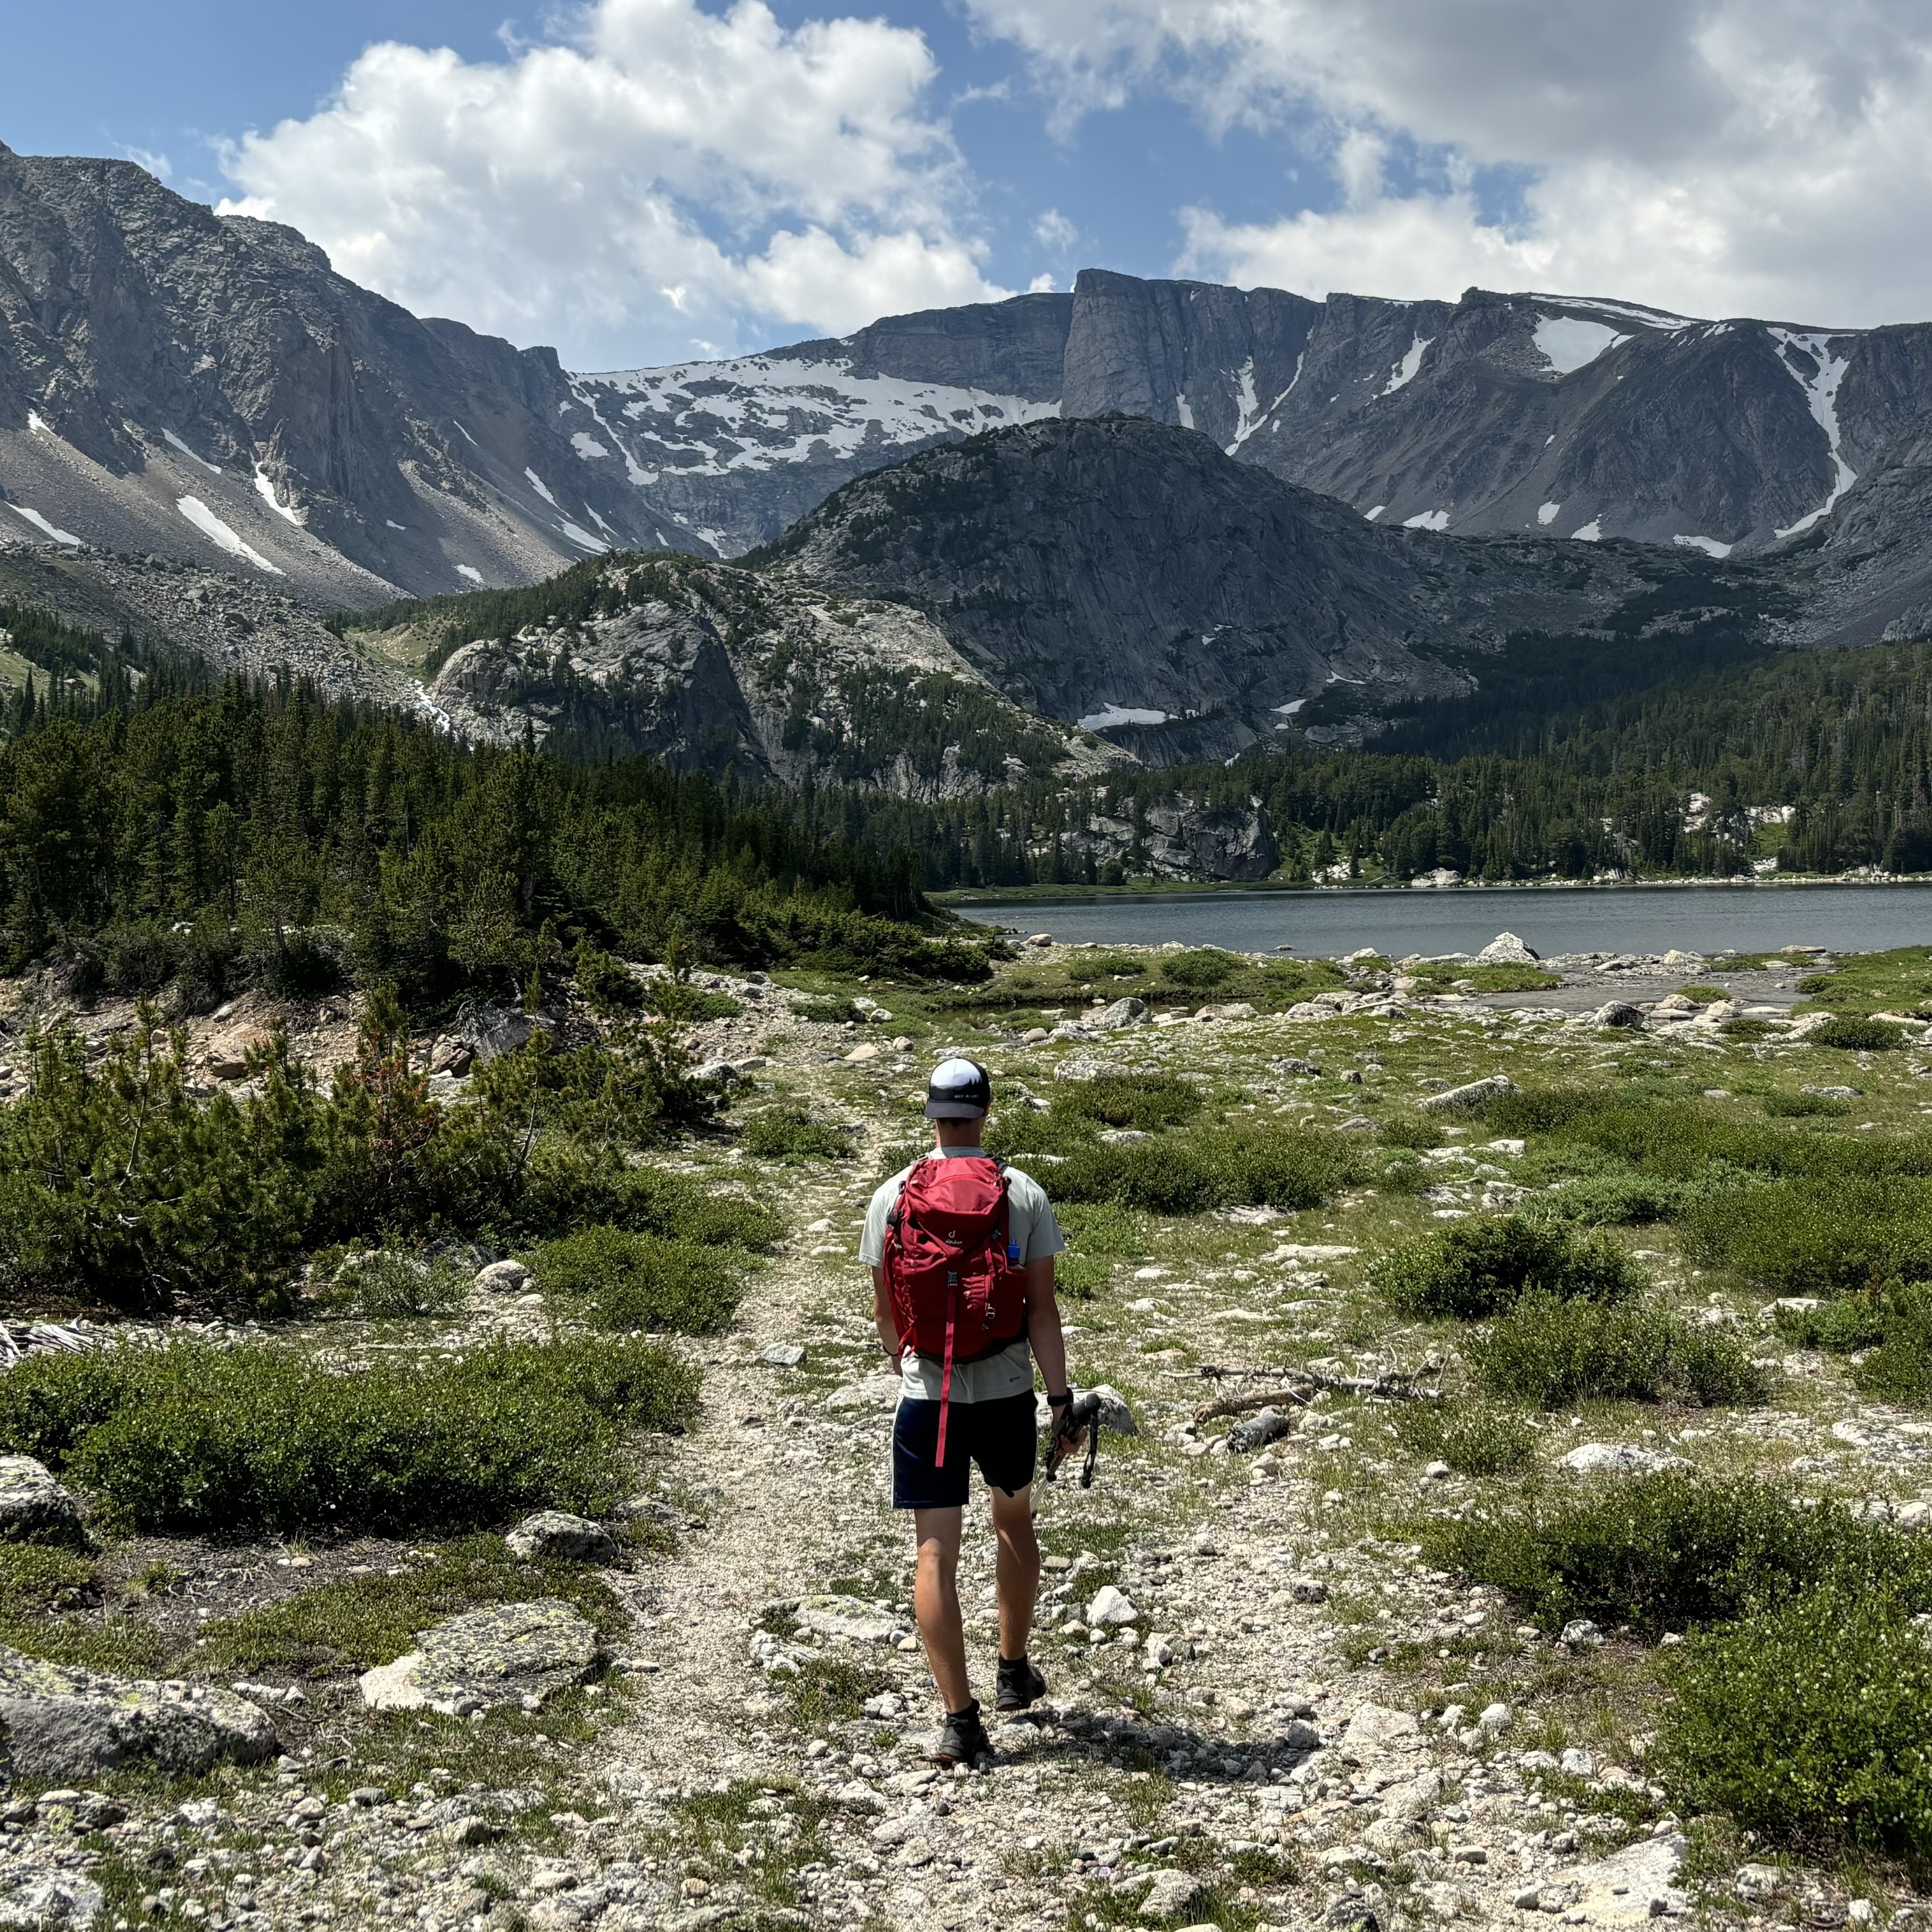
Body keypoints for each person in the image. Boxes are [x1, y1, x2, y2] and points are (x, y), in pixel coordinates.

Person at [861, 1057, 1085, 1767]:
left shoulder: (891, 1196)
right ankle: (1013, 1672)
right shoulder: (1024, 1194)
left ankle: (960, 1722)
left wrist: (917, 1367)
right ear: (985, 1112)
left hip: (932, 1400)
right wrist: (1060, 1399)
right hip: (1009, 1391)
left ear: (930, 1114)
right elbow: (1043, 1312)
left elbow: (888, 1318)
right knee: (1012, 1522)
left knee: (935, 1552)